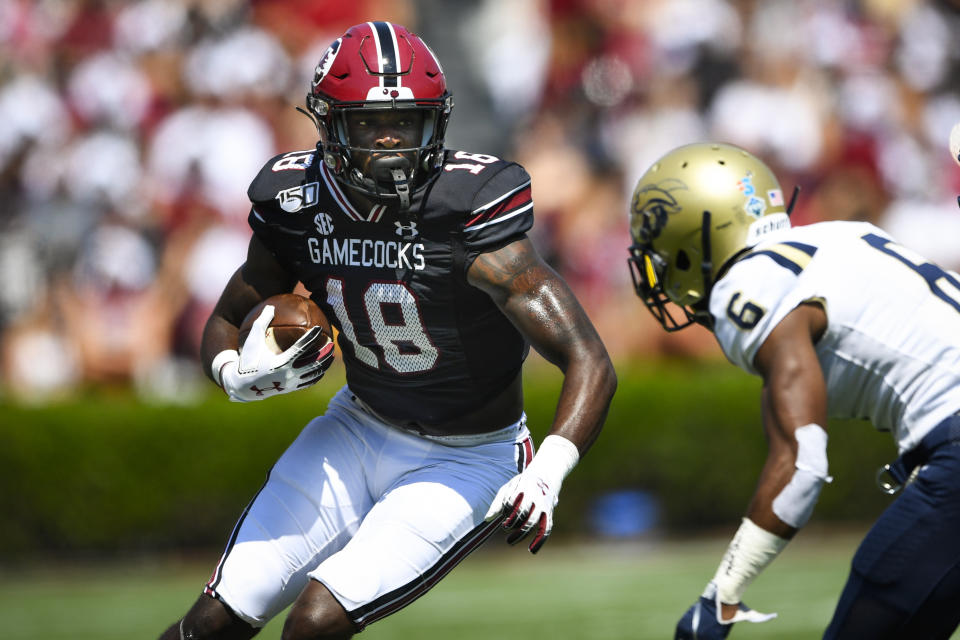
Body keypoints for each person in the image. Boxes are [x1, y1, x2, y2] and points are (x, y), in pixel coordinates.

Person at [159, 21, 616, 640]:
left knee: (315, 623)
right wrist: (233, 375)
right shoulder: (296, 201)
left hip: (468, 457)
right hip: (355, 428)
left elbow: (589, 357)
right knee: (214, 621)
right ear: (328, 126)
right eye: (370, 124)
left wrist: (548, 471)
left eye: (408, 123)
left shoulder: (464, 207)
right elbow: (225, 317)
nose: (391, 142)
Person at [626, 142, 960, 639]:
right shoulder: (842, 236)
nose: (658, 269)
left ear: (697, 236)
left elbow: (802, 464)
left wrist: (721, 596)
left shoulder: (749, 286)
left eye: (662, 250)